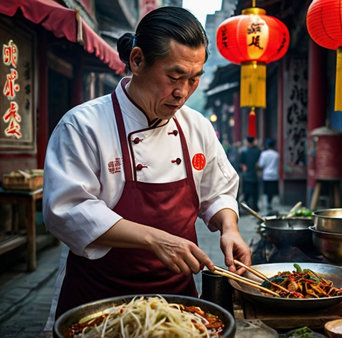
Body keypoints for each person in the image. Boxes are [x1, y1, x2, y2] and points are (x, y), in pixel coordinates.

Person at [42, 6, 251, 320]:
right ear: (137, 61)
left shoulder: (197, 126)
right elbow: (67, 211)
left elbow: (217, 190)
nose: (182, 93)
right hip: (100, 302)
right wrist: (155, 239)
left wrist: (229, 227)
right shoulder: (82, 125)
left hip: (178, 304)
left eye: (194, 80)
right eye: (174, 77)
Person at [239, 136, 261, 212]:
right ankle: (255, 207)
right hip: (255, 175)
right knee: (255, 193)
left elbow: (240, 163)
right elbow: (259, 163)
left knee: (247, 193)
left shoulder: (244, 151)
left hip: (247, 175)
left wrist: (243, 167)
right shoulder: (258, 151)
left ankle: (246, 207)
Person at [257, 139, 280, 212]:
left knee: (266, 190)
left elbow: (261, 165)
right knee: (272, 189)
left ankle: (268, 202)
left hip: (266, 174)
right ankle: (270, 202)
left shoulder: (264, 154)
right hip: (274, 174)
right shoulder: (276, 154)